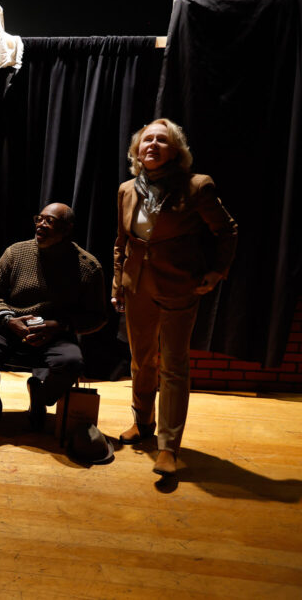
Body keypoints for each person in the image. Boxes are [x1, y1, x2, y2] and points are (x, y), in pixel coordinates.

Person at [112, 118, 237, 477]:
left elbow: (226, 230)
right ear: (137, 149)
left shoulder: (197, 187)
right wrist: (118, 284)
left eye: (162, 141)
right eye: (147, 139)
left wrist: (216, 272)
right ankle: (142, 422)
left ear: (176, 151)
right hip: (137, 287)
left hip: (180, 286)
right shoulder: (126, 189)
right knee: (141, 361)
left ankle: (169, 446)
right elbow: (121, 242)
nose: (152, 145)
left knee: (174, 367)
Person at [0, 203, 107, 430]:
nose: (41, 224)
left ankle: (39, 396)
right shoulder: (16, 252)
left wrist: (60, 325)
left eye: (50, 221)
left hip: (55, 332)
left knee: (71, 363)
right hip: (10, 325)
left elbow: (97, 316)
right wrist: (9, 320)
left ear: (67, 229)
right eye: (39, 218)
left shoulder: (87, 267)